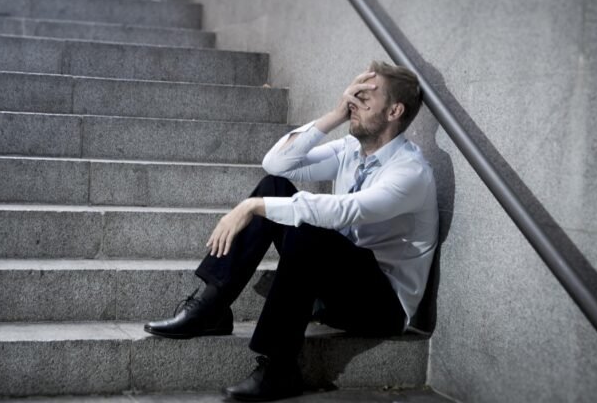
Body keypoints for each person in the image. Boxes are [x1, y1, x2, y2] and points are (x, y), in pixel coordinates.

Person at [144, 61, 439, 401]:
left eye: (364, 99)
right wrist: (334, 115)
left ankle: (280, 368)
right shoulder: (350, 150)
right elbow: (276, 164)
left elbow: (348, 210)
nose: (353, 104)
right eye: (353, 96)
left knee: (306, 226)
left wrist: (251, 206)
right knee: (275, 186)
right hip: (336, 281)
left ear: (395, 111)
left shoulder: (410, 171)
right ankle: (212, 307)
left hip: (382, 305)